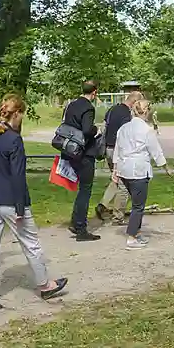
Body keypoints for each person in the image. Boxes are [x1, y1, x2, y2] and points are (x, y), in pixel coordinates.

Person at [0, 95, 67, 314]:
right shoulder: (13, 140)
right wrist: (20, 206)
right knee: (30, 243)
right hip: (10, 201)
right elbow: (17, 176)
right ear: (17, 114)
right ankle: (45, 285)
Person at [112, 100, 173, 250]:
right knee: (138, 206)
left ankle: (136, 232)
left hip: (125, 169)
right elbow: (156, 151)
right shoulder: (147, 130)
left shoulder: (123, 128)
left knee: (135, 202)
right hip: (138, 170)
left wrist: (115, 169)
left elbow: (117, 149)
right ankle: (131, 238)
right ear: (146, 112)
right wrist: (165, 166)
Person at [61, 81, 102, 241]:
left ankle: (75, 222)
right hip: (84, 153)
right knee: (86, 190)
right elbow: (86, 129)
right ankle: (80, 227)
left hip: (71, 150)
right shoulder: (88, 107)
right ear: (94, 92)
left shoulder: (71, 105)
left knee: (81, 189)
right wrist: (96, 130)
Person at [96, 91, 143, 224]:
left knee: (116, 179)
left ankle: (103, 205)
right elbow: (126, 135)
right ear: (134, 103)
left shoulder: (112, 109)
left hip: (108, 149)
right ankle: (118, 215)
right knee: (124, 184)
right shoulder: (127, 115)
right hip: (119, 151)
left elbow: (104, 126)